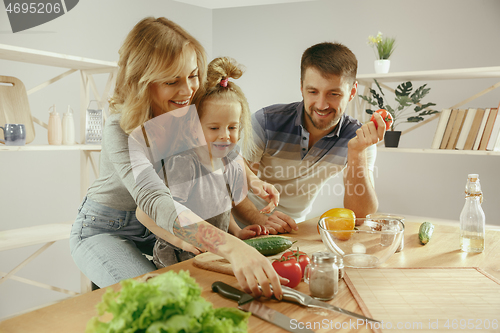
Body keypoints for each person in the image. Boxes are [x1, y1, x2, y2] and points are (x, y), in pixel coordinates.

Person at [69, 17, 283, 299]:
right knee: (155, 301)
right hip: (104, 230)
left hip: (162, 231)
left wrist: (252, 179)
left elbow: (220, 146)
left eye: (193, 75)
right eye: (172, 81)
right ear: (141, 82)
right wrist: (230, 246)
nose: (188, 91)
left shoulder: (184, 109)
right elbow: (154, 200)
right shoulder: (120, 131)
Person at [233, 42, 386, 234]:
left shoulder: (357, 138)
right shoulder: (266, 122)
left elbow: (361, 216)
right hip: (238, 226)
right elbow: (230, 180)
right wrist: (260, 218)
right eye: (312, 92)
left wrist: (357, 153)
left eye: (334, 94)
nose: (321, 105)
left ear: (352, 92)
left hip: (293, 229)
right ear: (301, 86)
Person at [136, 57, 269, 268]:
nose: (225, 136)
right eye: (214, 128)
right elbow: (148, 214)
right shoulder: (184, 165)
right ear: (193, 127)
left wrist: (236, 231)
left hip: (214, 256)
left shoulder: (231, 162)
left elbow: (222, 209)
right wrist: (181, 241)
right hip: (177, 261)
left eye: (232, 128)